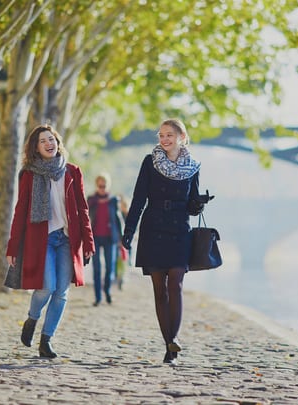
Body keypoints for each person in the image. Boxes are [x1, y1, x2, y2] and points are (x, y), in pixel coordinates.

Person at [122, 118, 211, 364]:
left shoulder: (193, 166)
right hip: (153, 228)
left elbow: (192, 205)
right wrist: (129, 231)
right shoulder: (149, 162)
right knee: (159, 290)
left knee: (177, 284)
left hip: (180, 230)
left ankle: (174, 339)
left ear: (181, 136)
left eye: (169, 135)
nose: (164, 140)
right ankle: (169, 345)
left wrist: (198, 203)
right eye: (161, 135)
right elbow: (139, 198)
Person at [6, 124, 95, 359]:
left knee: (61, 293)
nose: (49, 143)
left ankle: (46, 340)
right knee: (46, 287)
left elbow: (82, 210)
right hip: (42, 239)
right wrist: (12, 246)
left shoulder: (72, 172)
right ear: (36, 148)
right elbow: (21, 210)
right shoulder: (29, 174)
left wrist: (89, 241)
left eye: (51, 139)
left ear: (57, 142)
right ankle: (32, 319)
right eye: (43, 141)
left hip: (67, 239)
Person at [87, 173, 123, 306]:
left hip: (110, 238)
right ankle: (98, 297)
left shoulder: (114, 200)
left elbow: (118, 220)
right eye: (100, 185)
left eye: (104, 185)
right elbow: (85, 218)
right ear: (97, 185)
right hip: (95, 237)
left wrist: (121, 238)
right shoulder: (91, 200)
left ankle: (107, 292)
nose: (102, 188)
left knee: (109, 268)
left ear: (108, 185)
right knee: (96, 268)